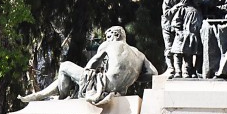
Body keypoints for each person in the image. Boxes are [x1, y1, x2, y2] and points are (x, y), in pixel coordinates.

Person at [20, 26, 156, 106]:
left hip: (105, 84)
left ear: (115, 35)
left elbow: (90, 66)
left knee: (65, 66)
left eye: (108, 36)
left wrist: (82, 80)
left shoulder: (109, 44)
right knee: (81, 77)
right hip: (121, 89)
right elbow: (153, 74)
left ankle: (61, 100)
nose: (106, 39)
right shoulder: (139, 54)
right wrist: (133, 75)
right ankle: (39, 95)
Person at [162, 0, 203, 78]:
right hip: (170, 25)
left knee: (189, 53)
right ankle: (172, 69)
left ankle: (188, 71)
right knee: (170, 49)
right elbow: (167, 15)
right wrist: (178, 6)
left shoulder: (192, 0)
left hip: (188, 33)